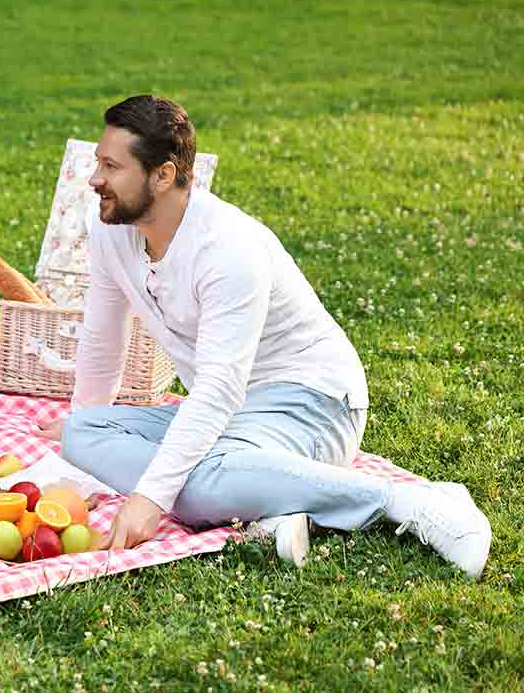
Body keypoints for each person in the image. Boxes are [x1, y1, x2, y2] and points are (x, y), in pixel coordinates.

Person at [35, 95, 491, 578]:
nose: (94, 180)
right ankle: (271, 505)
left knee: (184, 491)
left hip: (316, 404)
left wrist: (149, 499)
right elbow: (104, 337)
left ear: (163, 176)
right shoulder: (109, 227)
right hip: (235, 417)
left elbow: (217, 389)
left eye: (111, 166)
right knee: (82, 432)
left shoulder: (228, 248)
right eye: (97, 162)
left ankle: (405, 499)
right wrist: (84, 433)